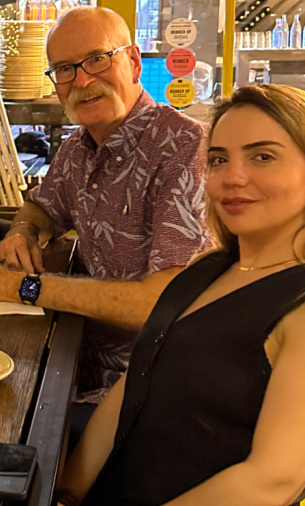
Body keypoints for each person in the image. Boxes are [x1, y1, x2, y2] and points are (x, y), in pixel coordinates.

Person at [0, 7, 210, 413]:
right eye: (64, 69)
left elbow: (164, 303)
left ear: (133, 62)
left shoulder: (185, 149)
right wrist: (21, 232)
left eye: (97, 59)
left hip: (153, 394)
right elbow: (40, 206)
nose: (82, 80)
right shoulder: (77, 148)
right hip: (74, 363)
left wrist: (14, 286)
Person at [57, 85, 305, 505]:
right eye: (219, 159)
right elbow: (132, 389)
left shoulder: (297, 306)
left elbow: (271, 480)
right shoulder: (207, 268)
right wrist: (66, 492)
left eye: (263, 156)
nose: (232, 176)